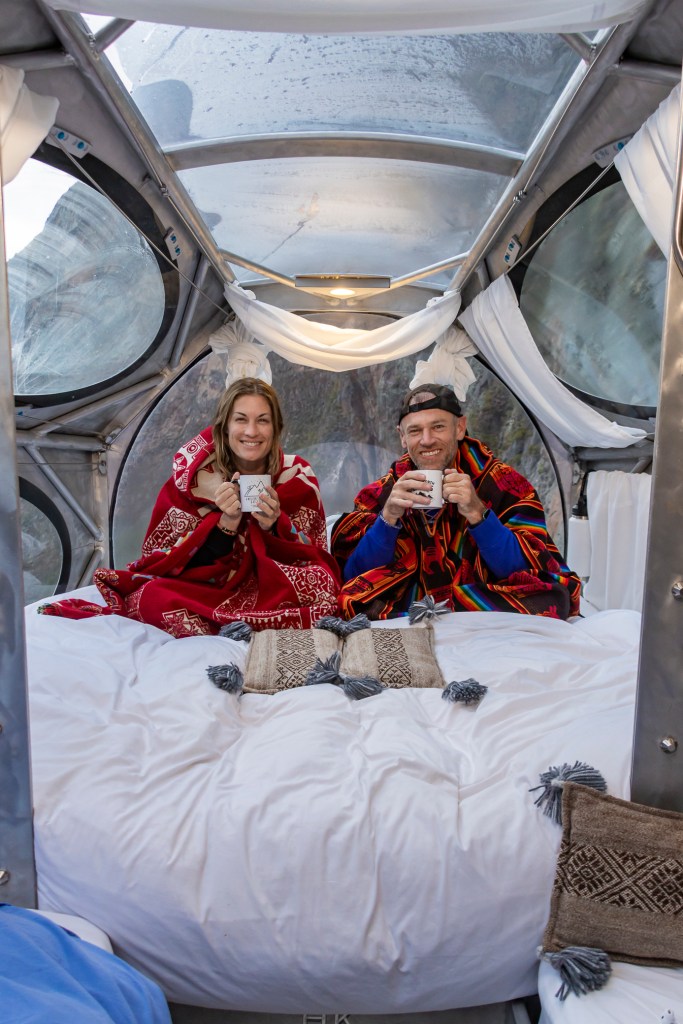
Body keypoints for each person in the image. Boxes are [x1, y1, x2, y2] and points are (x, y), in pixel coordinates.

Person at [41, 378, 341, 634]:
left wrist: (275, 525)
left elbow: (314, 558)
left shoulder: (297, 476)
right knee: (151, 597)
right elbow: (164, 561)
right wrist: (226, 525)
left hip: (270, 586)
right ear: (224, 427)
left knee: (325, 588)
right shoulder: (193, 479)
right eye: (241, 419)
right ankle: (245, 627)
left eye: (262, 420)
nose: (252, 431)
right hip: (210, 589)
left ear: (276, 428)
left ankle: (234, 626)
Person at [331, 383, 580, 620]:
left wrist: (478, 514)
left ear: (460, 428)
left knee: (552, 597)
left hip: (471, 593)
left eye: (438, 427)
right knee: (350, 599)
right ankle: (439, 608)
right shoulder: (383, 491)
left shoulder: (502, 483)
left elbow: (526, 571)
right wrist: (388, 519)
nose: (427, 440)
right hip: (430, 599)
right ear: (402, 438)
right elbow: (353, 576)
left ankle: (436, 608)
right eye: (415, 431)